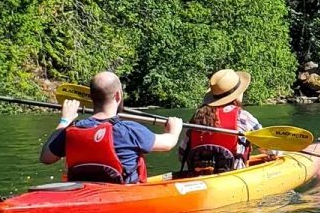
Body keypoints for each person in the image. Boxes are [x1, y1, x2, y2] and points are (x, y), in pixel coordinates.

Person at [39, 71, 180, 184]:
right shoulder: (129, 130)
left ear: (91, 98)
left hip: (84, 194)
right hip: (122, 196)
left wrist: (65, 121)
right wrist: (175, 128)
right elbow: (168, 143)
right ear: (118, 95)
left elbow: (46, 158)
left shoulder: (72, 130)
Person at [178, 68, 263, 174]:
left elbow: (182, 154)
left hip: (197, 175)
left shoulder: (197, 116)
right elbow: (267, 145)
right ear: (236, 95)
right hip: (233, 175)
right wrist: (274, 154)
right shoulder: (244, 117)